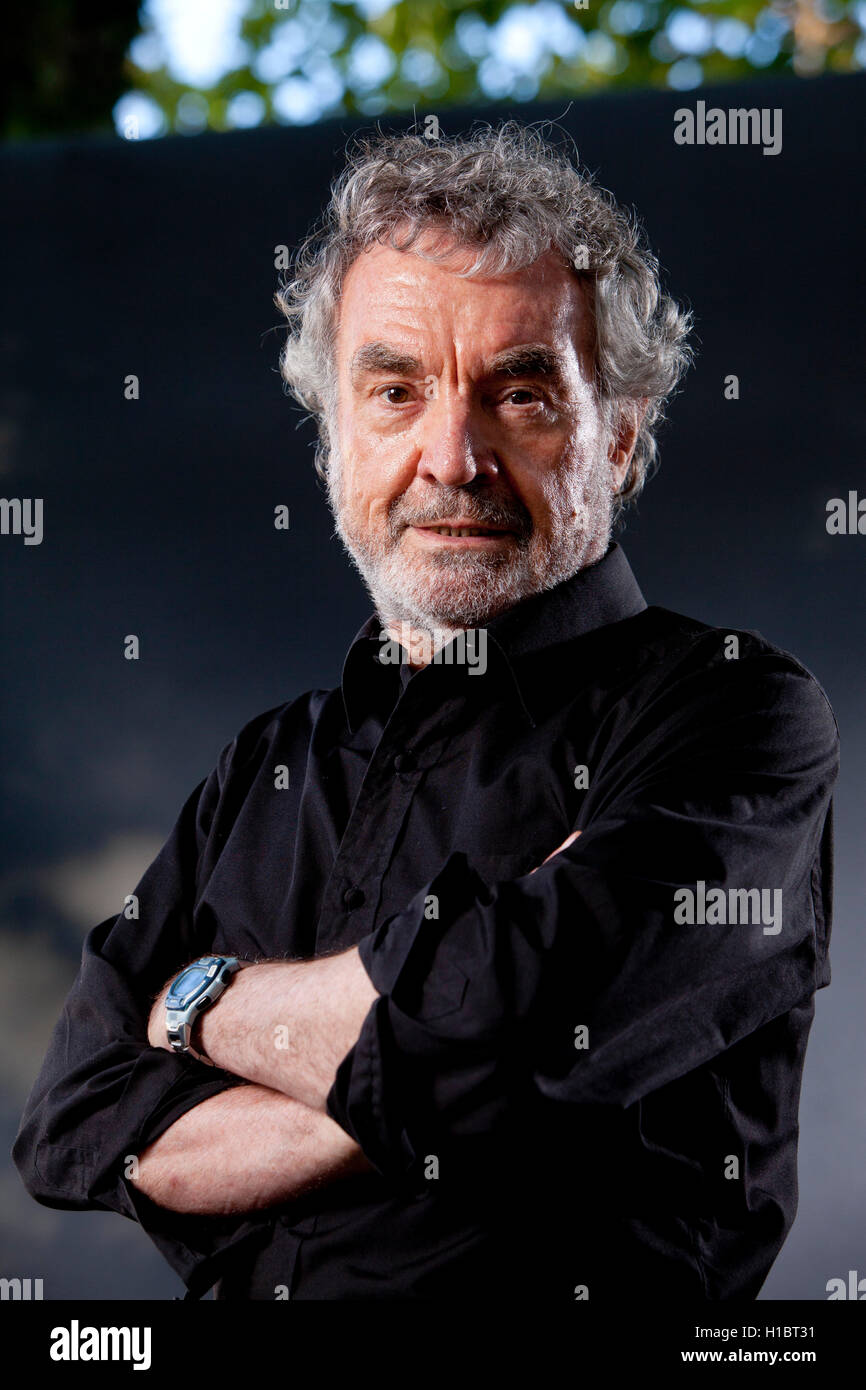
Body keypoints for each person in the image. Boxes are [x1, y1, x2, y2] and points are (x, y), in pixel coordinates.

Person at [14, 122, 839, 1301]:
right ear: (332, 438)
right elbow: (71, 1122)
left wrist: (194, 1006)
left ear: (622, 434)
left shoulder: (732, 712)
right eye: (395, 389)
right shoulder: (267, 764)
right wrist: (423, 1045)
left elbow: (502, 1046)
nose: (450, 455)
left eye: (520, 390)